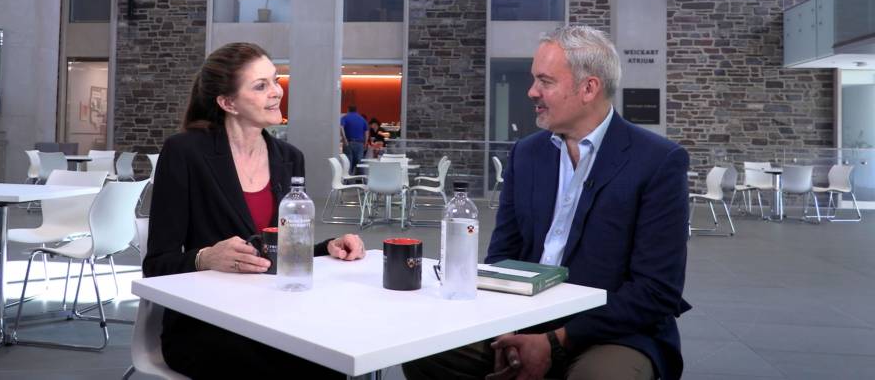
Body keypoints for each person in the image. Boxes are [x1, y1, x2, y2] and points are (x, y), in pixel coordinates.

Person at [403, 26, 690, 380]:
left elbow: (656, 291)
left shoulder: (658, 161)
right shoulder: (527, 153)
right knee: (424, 349)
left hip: (615, 330)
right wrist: (513, 329)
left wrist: (555, 342)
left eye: (545, 81)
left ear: (589, 88)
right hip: (526, 315)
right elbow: (502, 258)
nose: (532, 92)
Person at [145, 42, 366, 379]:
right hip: (206, 323)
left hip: (274, 313)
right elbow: (156, 265)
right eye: (260, 86)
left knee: (337, 353)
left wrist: (328, 247)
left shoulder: (289, 157)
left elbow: (280, 250)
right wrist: (205, 257)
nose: (276, 92)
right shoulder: (184, 152)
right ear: (227, 102)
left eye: (275, 80)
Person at [339, 105, 369, 172]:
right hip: (360, 143)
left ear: (348, 110)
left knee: (348, 163)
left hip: (349, 143)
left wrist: (344, 139)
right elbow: (366, 132)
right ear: (356, 110)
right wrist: (365, 143)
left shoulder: (345, 117)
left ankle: (348, 180)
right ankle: (360, 180)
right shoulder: (362, 119)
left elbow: (341, 127)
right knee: (359, 163)